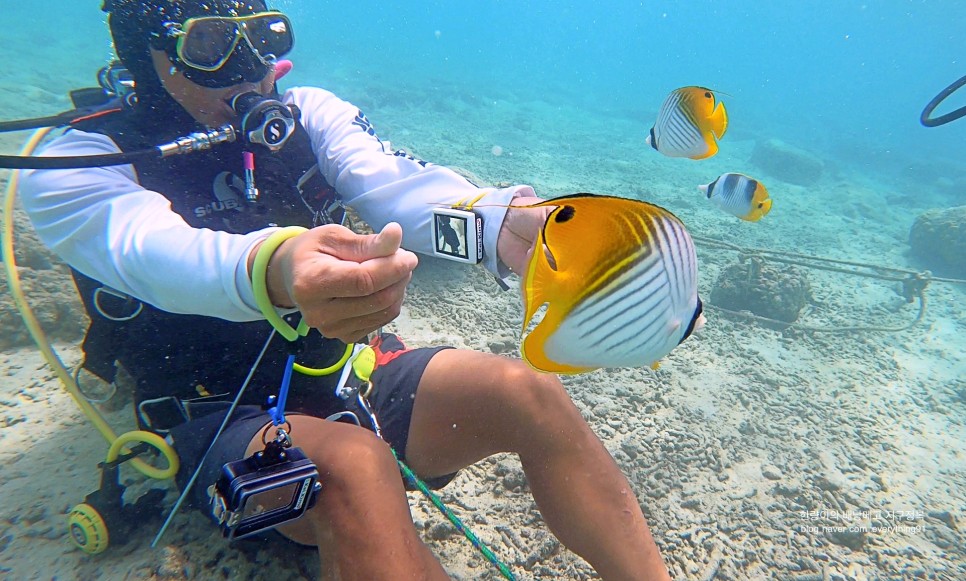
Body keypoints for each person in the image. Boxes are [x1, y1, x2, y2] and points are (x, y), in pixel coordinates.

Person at [20, 1, 671, 579]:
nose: (251, 70)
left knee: (526, 390)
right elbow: (153, 253)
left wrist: (495, 227)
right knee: (355, 467)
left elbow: (400, 193)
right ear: (144, 48)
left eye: (262, 37)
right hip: (212, 417)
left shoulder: (311, 114)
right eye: (213, 45)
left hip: (343, 376)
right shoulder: (70, 163)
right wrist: (278, 267)